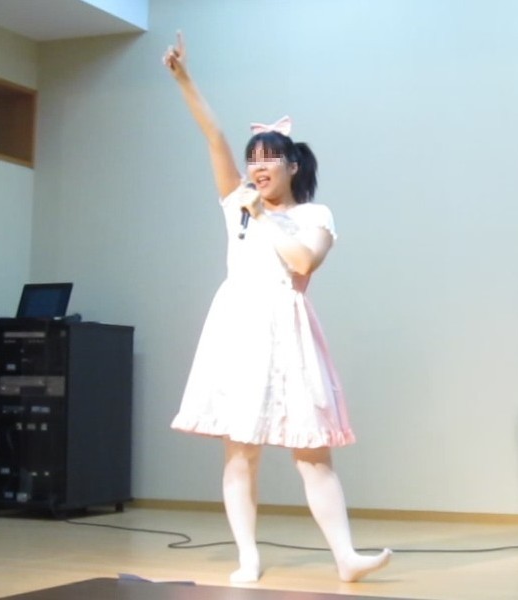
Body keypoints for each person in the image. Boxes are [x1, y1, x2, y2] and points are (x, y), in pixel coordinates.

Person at [162, 31, 391, 584]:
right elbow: (213, 135)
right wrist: (184, 79)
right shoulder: (236, 206)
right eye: (253, 160)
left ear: (292, 166)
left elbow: (303, 262)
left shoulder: (314, 215)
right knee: (240, 452)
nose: (257, 168)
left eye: (269, 160)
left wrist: (263, 216)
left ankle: (346, 557)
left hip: (286, 328)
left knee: (312, 452)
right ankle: (248, 558)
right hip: (239, 328)